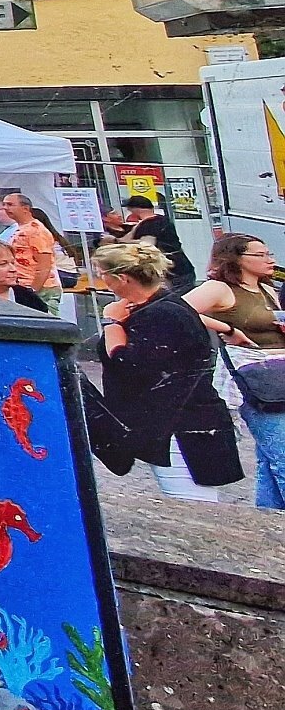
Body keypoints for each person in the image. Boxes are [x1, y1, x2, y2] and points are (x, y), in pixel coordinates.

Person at [93, 240, 239, 501]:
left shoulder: (160, 313)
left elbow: (127, 364)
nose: (101, 280)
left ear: (122, 278)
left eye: (103, 274)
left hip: (181, 428)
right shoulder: (162, 305)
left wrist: (111, 323)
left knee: (193, 502)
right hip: (179, 422)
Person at [185, 232, 285, 510]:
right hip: (253, 377)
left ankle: (268, 516)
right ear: (236, 258)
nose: (269, 260)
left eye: (269, 254)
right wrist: (227, 329)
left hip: (277, 372)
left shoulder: (266, 289)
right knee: (280, 451)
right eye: (260, 255)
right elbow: (178, 309)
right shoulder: (219, 289)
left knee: (269, 457)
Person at [118, 195, 197, 293]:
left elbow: (147, 245)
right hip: (183, 265)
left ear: (135, 209)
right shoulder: (163, 220)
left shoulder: (148, 225)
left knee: (174, 296)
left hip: (170, 270)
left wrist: (127, 243)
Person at [0, 191, 61, 311]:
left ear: (25, 208)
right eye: (4, 204)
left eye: (10, 204)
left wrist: (33, 291)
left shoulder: (36, 230)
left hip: (42, 289)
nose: (5, 208)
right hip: (24, 287)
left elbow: (44, 265)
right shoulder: (21, 228)